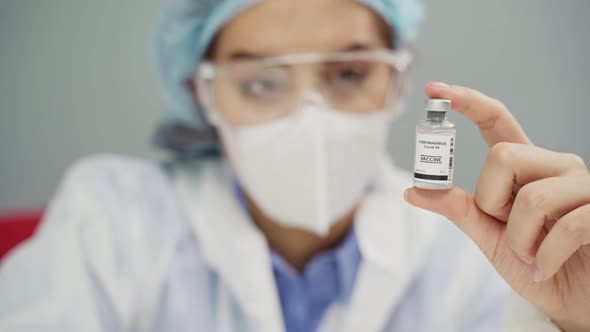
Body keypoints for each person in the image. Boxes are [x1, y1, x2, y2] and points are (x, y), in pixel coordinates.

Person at [1, 0, 589, 331]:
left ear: (398, 79)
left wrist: (577, 319)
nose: (311, 116)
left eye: (349, 73)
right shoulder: (110, 222)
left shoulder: (478, 253)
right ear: (203, 95)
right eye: (260, 81)